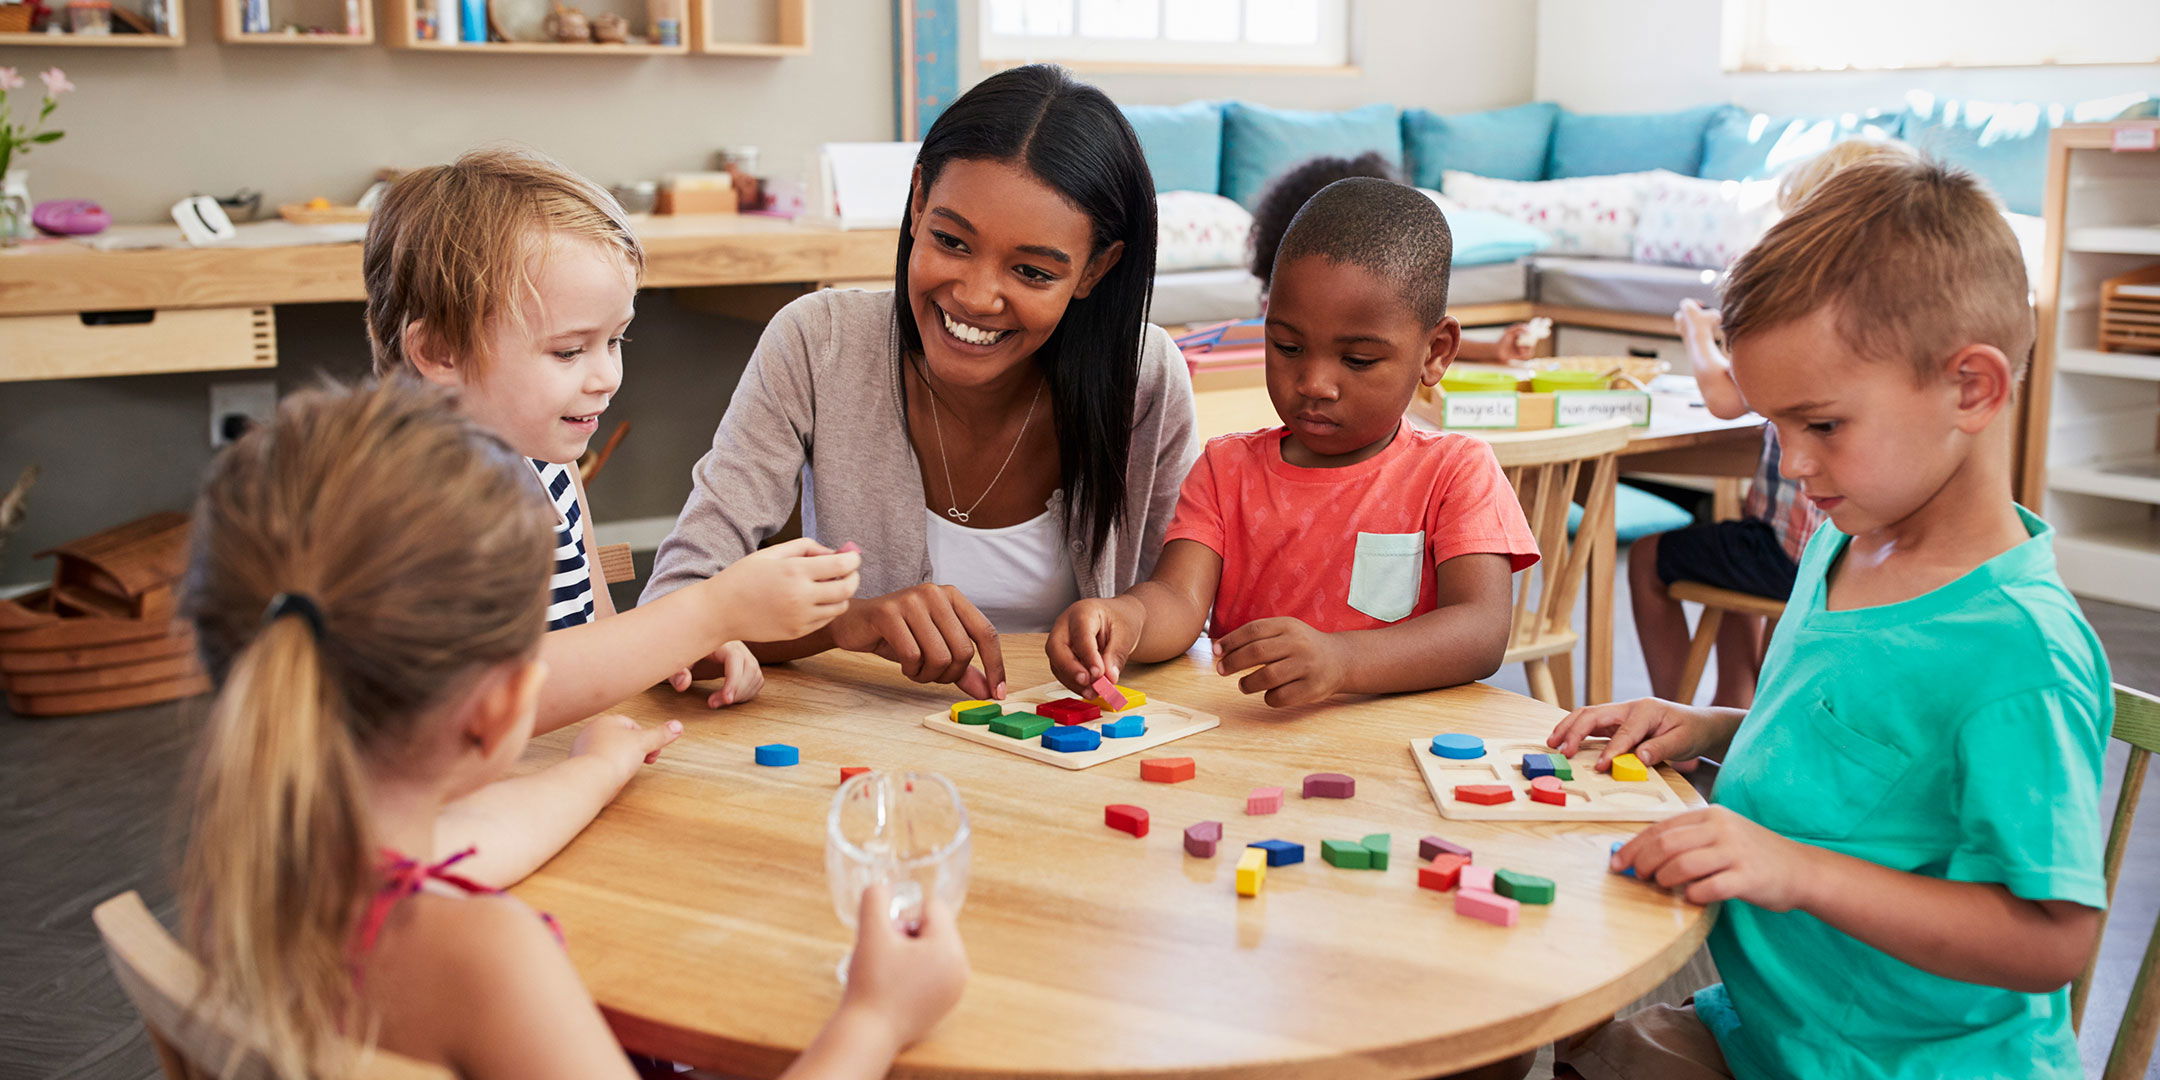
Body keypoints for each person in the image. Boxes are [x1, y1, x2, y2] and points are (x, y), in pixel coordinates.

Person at [178, 380, 966, 1080]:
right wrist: (874, 1019)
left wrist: (593, 771)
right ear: (498, 710)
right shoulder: (485, 960)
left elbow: (467, 837)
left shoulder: (250, 864)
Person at [1551, 158, 2110, 1080]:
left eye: (1821, 425)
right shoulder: (1844, 542)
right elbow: (1857, 762)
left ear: (1971, 389)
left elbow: (2051, 940)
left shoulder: (2019, 652)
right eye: (1776, 426)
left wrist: (1794, 870)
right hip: (1775, 1025)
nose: (1792, 465)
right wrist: (1710, 728)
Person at [644, 64, 1199, 701]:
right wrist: (845, 623)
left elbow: (1180, 602)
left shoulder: (1144, 378)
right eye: (950, 240)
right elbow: (676, 607)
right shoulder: (817, 342)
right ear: (916, 202)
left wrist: (1125, 622)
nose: (976, 296)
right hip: (862, 761)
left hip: (1076, 758)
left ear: (1097, 269)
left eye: (1032, 272)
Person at [1049, 177, 1538, 706]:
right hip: (1258, 740)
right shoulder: (1225, 468)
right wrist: (1124, 617)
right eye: (1287, 346)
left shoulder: (1455, 472)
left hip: (1401, 745)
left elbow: (1480, 631)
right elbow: (1177, 599)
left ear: (1435, 352)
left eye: (1357, 360)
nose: (1314, 384)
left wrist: (1343, 660)